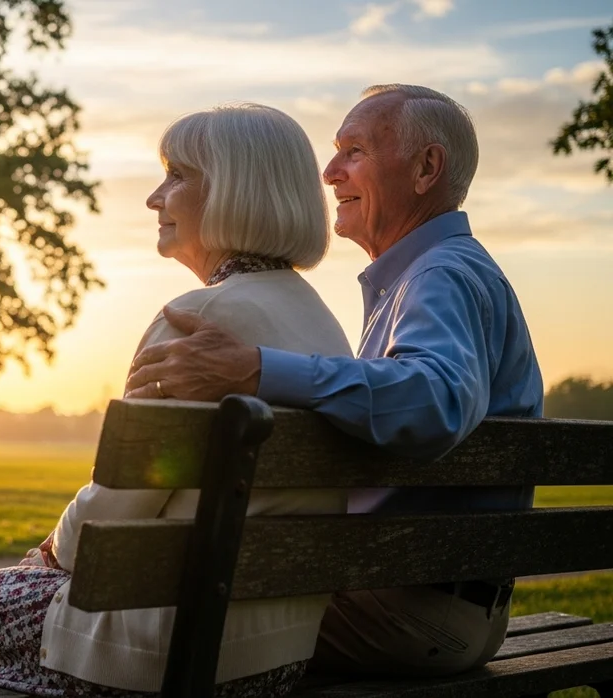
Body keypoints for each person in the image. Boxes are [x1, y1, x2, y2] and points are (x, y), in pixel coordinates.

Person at [0, 103, 352, 697]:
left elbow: (107, 525)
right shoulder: (324, 327)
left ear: (234, 189)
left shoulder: (196, 322)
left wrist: (48, 551)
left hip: (166, 647)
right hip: (274, 658)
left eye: (177, 176)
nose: (156, 198)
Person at [125, 84, 545, 677]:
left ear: (426, 168)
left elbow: (436, 399)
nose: (328, 172)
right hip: (439, 607)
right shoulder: (431, 277)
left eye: (354, 151)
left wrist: (256, 368)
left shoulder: (441, 276)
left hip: (405, 615)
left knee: (137, 632)